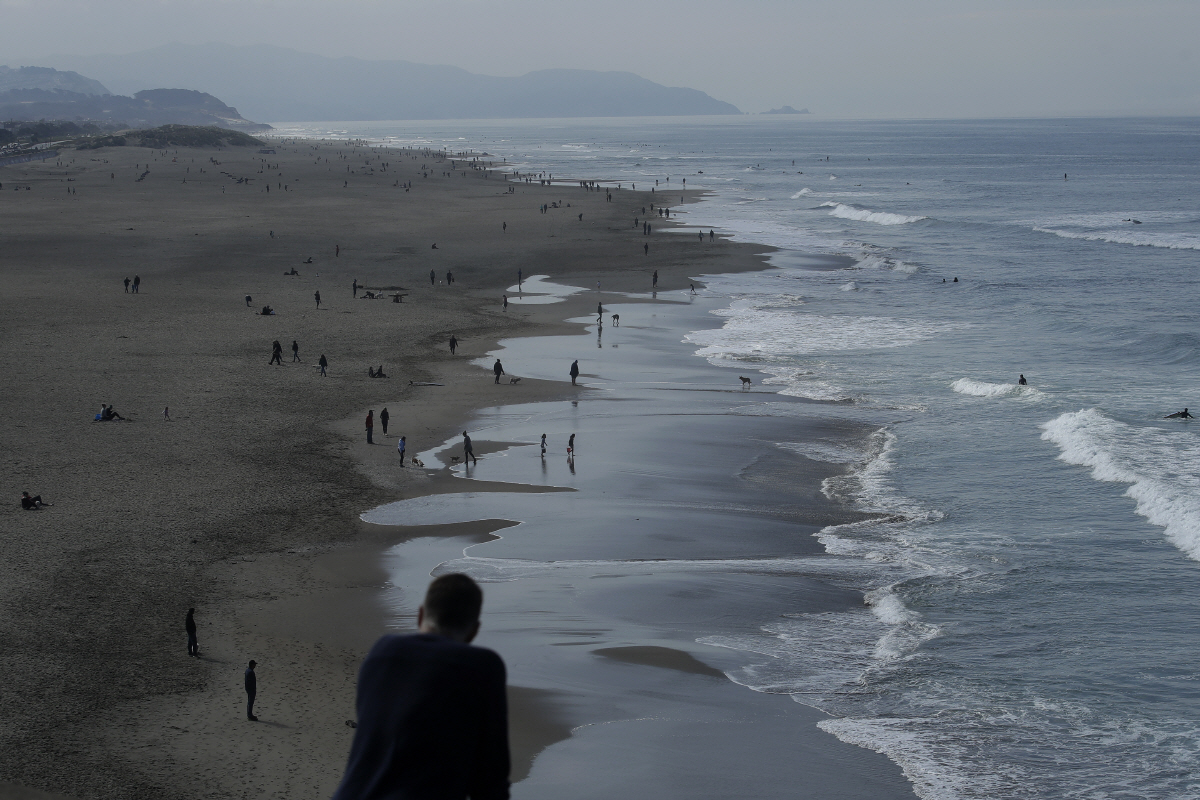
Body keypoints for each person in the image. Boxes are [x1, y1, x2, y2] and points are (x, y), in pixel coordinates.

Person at [330, 574, 509, 800]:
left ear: (421, 614)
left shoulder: (382, 652)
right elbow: (491, 779)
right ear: (474, 630)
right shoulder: (482, 667)